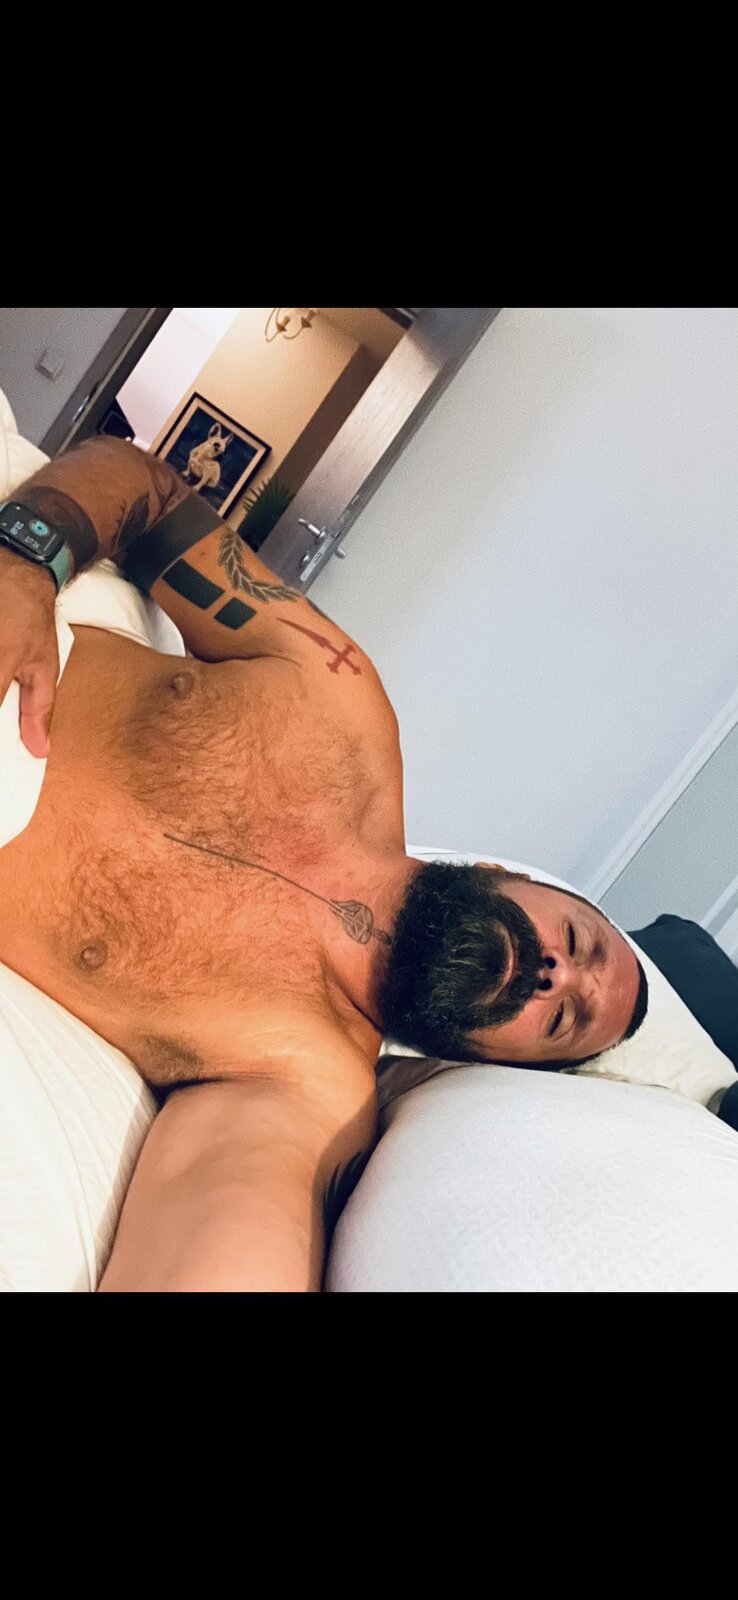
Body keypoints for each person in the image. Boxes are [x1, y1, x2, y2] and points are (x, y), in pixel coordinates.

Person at [0, 438, 648, 1291]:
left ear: (486, 1057)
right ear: (507, 873)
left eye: (562, 1018)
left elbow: (232, 1220)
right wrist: (27, 560)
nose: (555, 974)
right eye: (579, 942)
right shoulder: (344, 703)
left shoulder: (310, 1081)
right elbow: (146, 489)